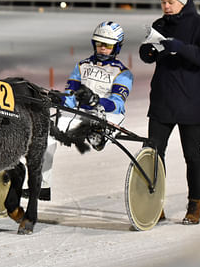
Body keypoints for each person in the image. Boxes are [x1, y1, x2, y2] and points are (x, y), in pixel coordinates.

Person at [23, 21, 133, 201]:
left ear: (116, 47)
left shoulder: (123, 73)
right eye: (99, 44)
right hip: (81, 111)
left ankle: (99, 133)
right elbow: (71, 95)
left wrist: (97, 102)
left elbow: (118, 102)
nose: (102, 48)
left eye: (107, 45)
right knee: (48, 136)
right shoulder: (81, 66)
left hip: (109, 113)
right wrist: (58, 98)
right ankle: (42, 187)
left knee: (100, 118)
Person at [139, 0, 200, 225]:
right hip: (162, 100)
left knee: (192, 155)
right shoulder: (159, 25)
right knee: (154, 154)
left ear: (182, 1)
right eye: (163, 2)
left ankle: (195, 204)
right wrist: (148, 53)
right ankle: (155, 204)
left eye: (170, 2)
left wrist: (181, 48)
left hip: (191, 102)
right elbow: (152, 53)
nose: (166, 6)